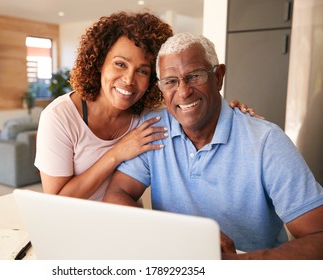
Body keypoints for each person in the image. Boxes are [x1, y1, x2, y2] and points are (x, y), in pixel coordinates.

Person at [102, 33, 323, 259]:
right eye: (170, 81)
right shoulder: (154, 130)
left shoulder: (266, 142)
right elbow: (116, 194)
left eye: (194, 76)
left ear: (218, 77)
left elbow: (318, 234)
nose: (184, 91)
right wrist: (175, 237)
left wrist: (234, 264)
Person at [35, 12, 256, 201]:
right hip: (73, 228)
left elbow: (192, 107)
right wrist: (116, 153)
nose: (129, 80)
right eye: (120, 64)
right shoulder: (60, 117)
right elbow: (56, 200)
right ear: (100, 62)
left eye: (142, 70)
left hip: (126, 224)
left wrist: (230, 112)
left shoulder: (149, 115)